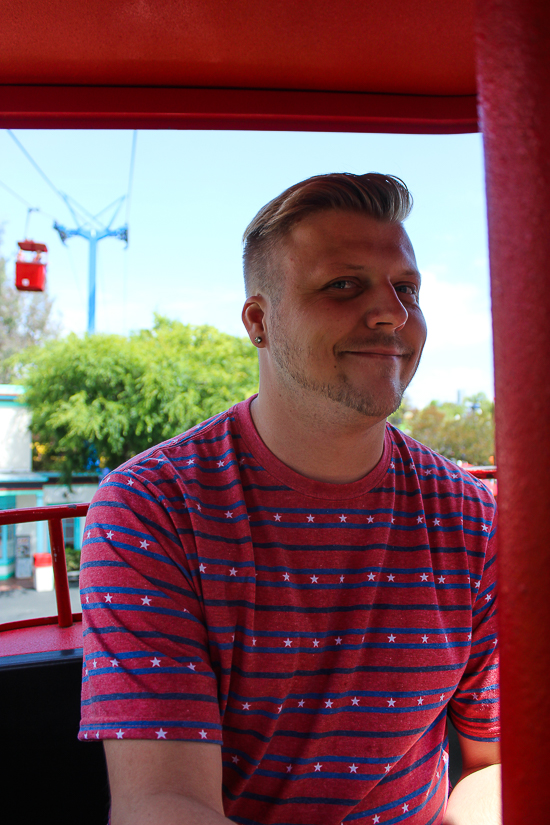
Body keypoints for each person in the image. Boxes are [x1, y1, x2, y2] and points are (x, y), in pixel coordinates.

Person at [79, 173, 500, 825]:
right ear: (259, 321)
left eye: (407, 287)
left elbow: (493, 761)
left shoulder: (472, 517)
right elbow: (162, 801)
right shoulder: (153, 508)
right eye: (343, 284)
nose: (392, 311)